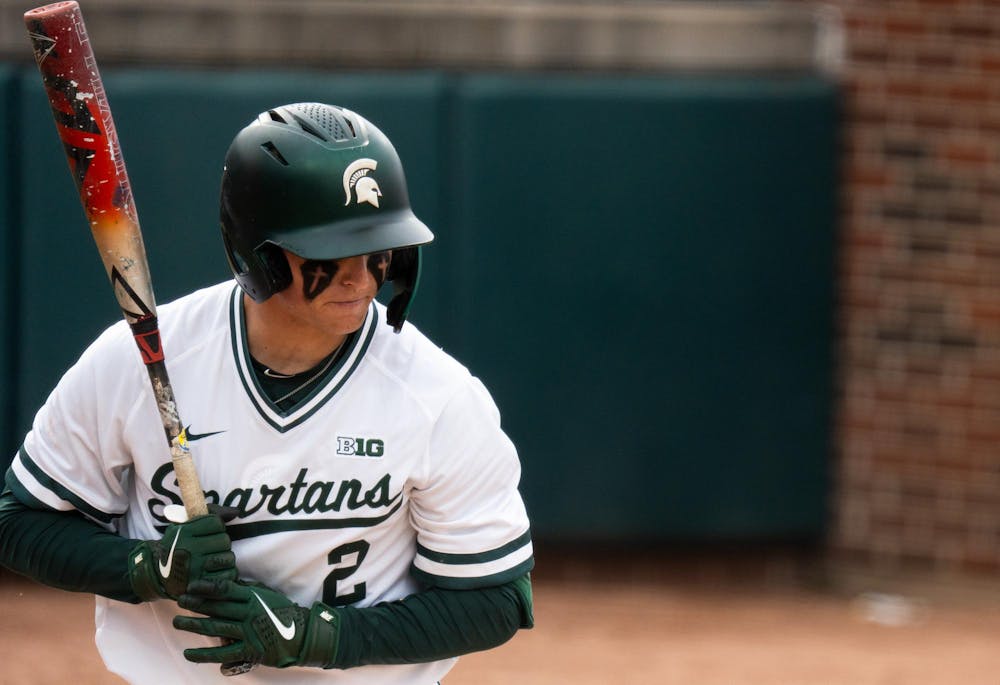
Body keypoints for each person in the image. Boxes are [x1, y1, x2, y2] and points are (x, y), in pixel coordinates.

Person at [0, 103, 534, 684]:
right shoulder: (139, 360)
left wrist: (320, 636)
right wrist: (145, 567)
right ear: (256, 253)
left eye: (378, 248)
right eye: (331, 252)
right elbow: (19, 522)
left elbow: (497, 600)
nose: (361, 277)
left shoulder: (438, 396)